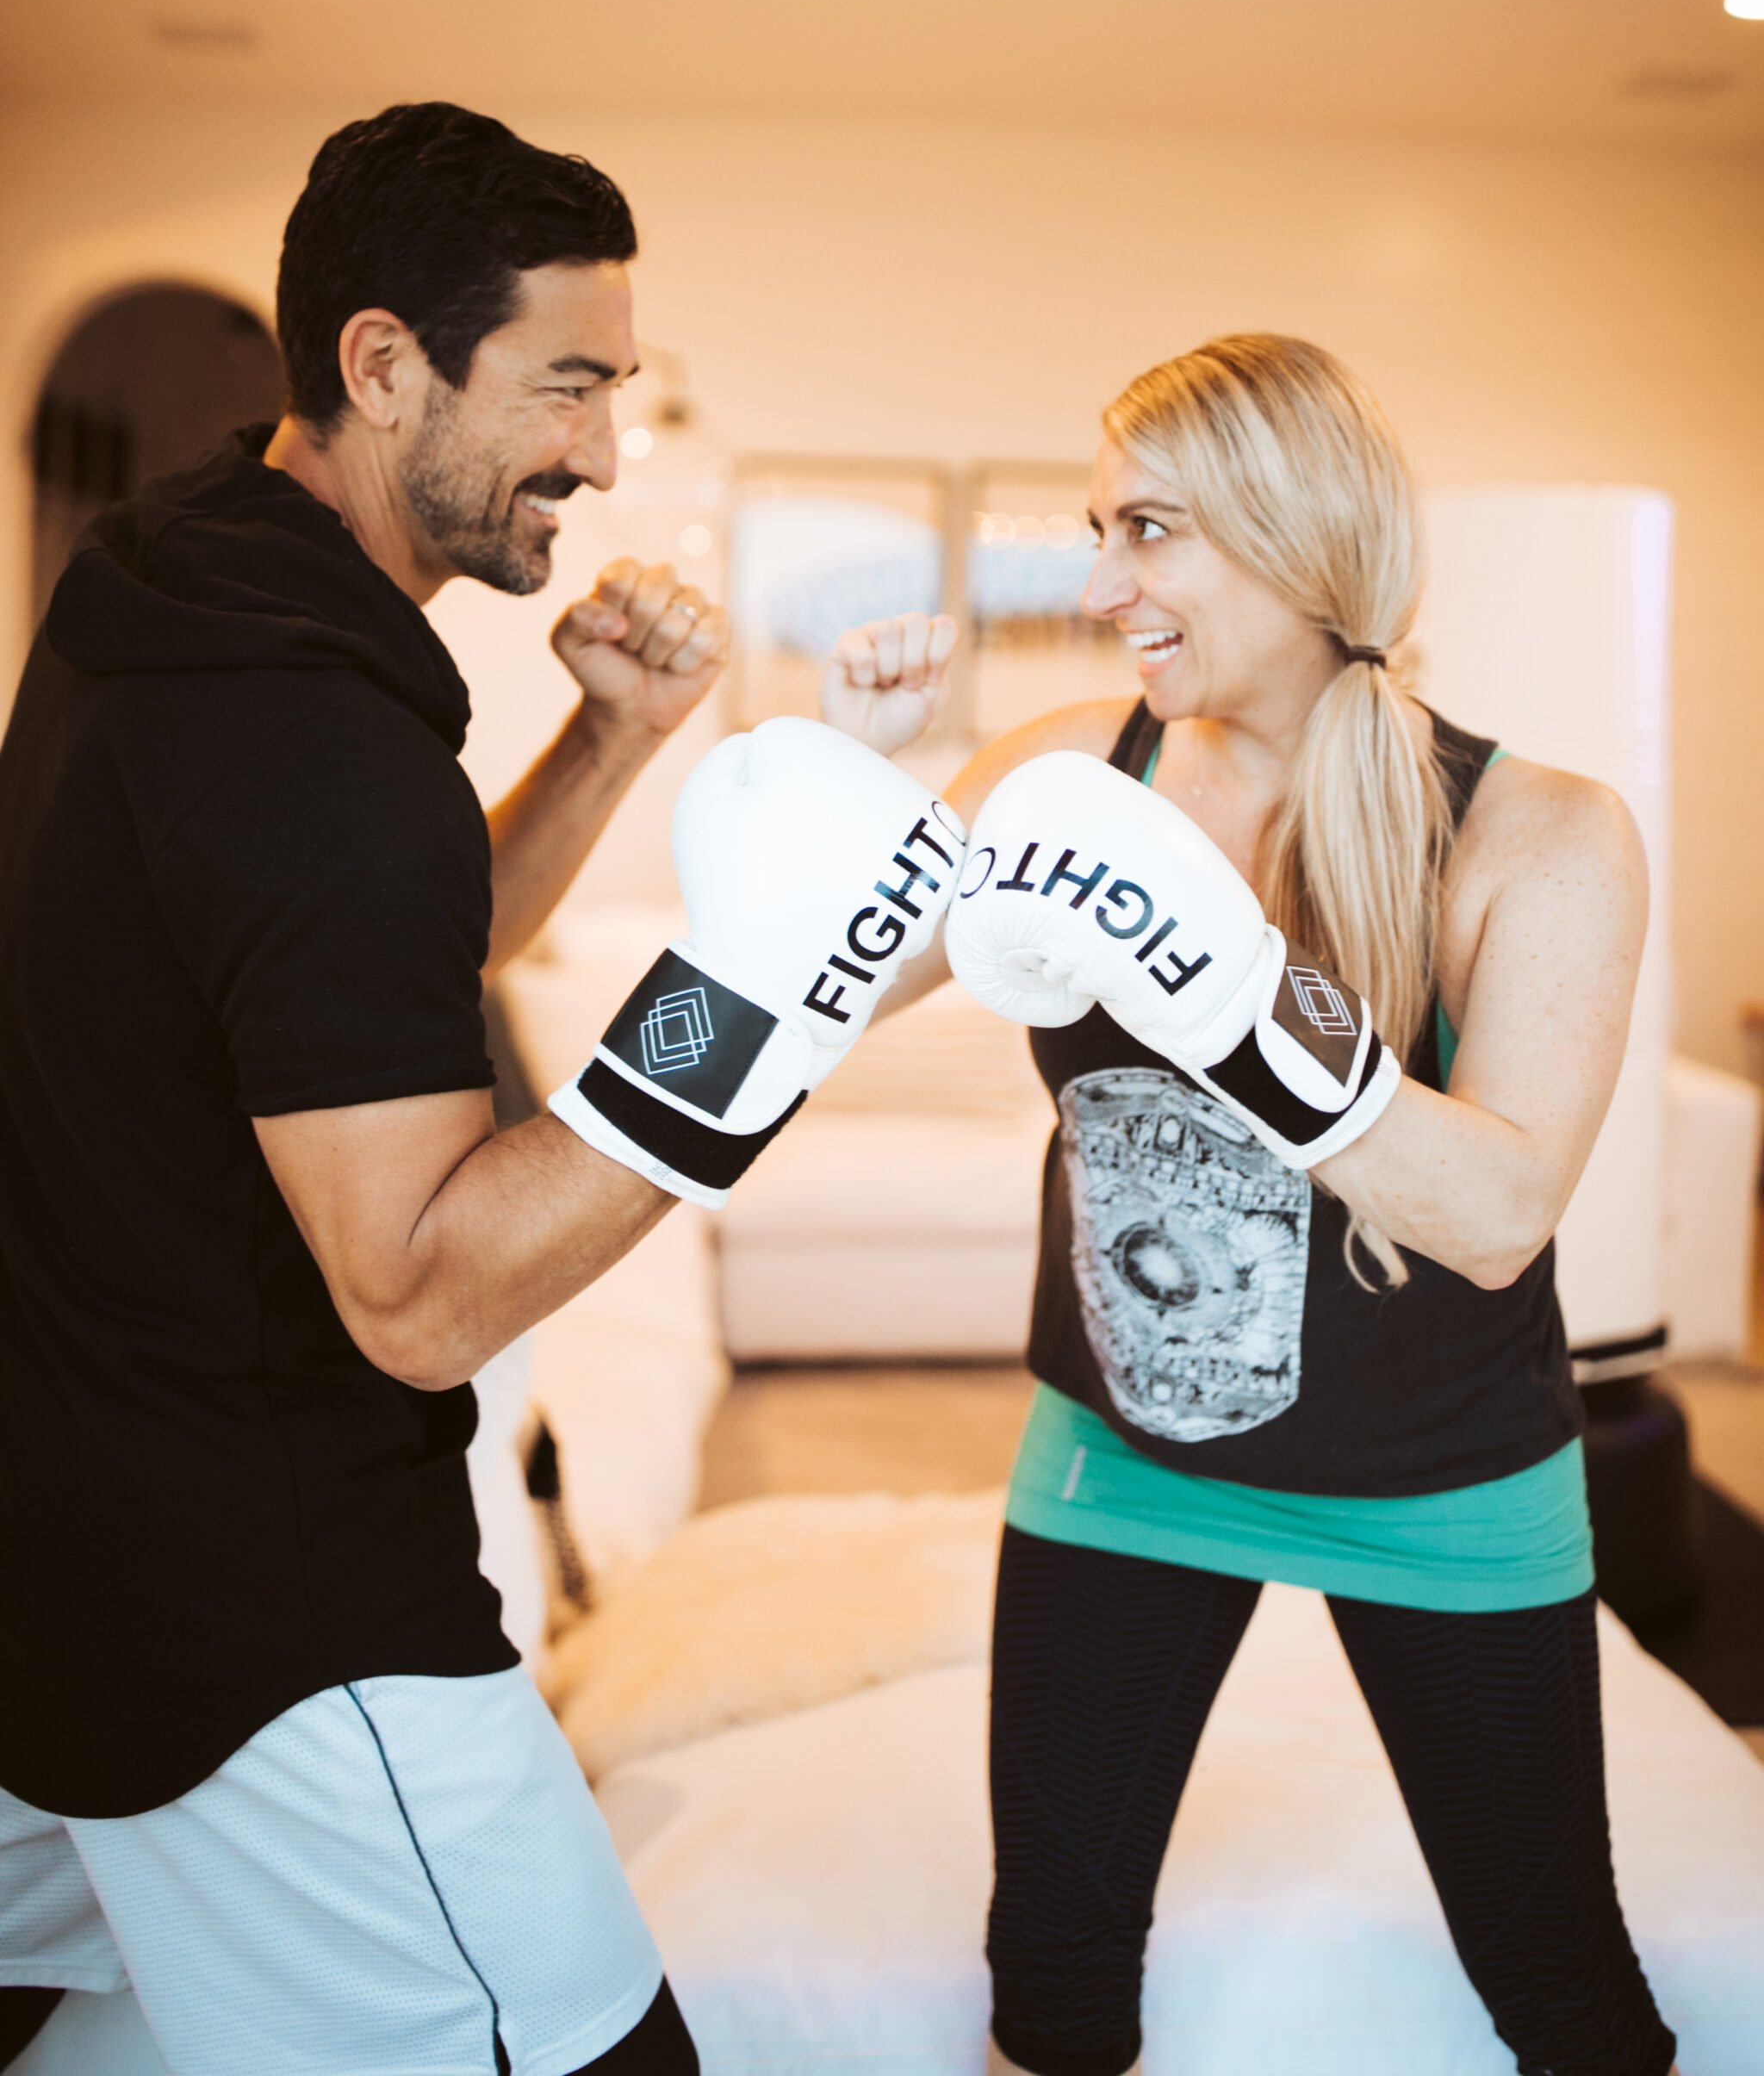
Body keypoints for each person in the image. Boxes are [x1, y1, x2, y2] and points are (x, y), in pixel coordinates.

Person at [0, 102, 953, 2076]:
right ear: (380, 363)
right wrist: (761, 993)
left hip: (72, 1543)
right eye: (568, 385)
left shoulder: (165, 594)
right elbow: (423, 1292)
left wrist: (606, 747)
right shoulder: (307, 737)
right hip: (275, 1626)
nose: (603, 454)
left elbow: (369, 986)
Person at [822, 333, 1679, 2076]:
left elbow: (1500, 1208)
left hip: (1447, 1487)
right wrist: (866, 791)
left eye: (1147, 531)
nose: (1096, 584)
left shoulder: (1544, 834)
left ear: (1292, 538)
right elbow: (832, 995)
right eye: (1093, 529)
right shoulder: (1074, 770)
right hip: (1121, 1459)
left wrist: (1223, 980)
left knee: (1559, 1988)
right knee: (1052, 1984)